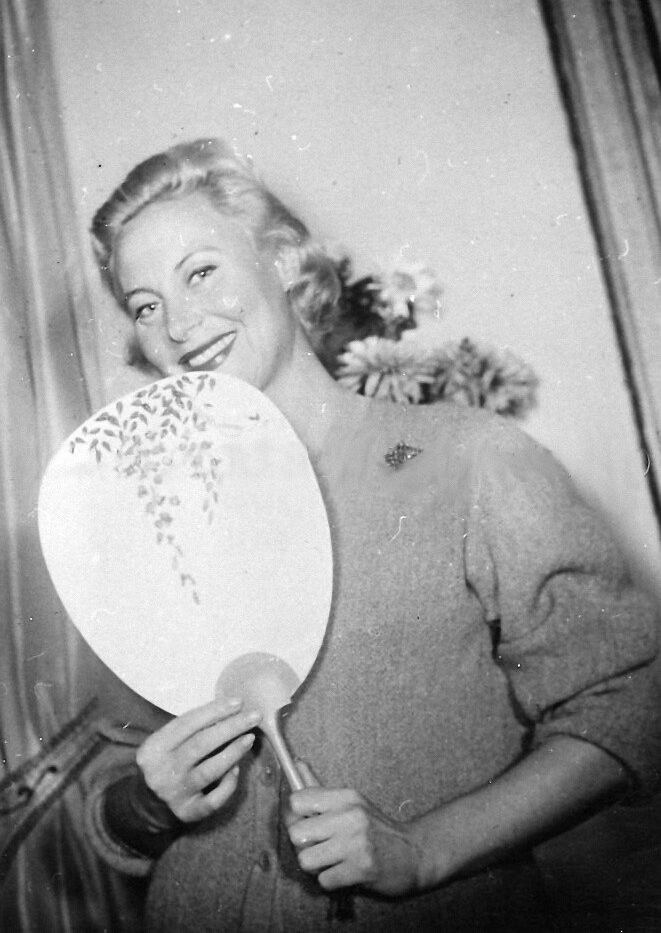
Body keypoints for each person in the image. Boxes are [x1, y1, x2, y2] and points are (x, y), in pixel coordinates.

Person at [85, 138, 660, 932]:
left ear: (282, 261)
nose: (178, 324)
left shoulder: (468, 457)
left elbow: (628, 703)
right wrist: (147, 805)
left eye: (201, 271)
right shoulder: (157, 523)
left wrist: (425, 850)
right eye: (145, 304)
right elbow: (112, 785)